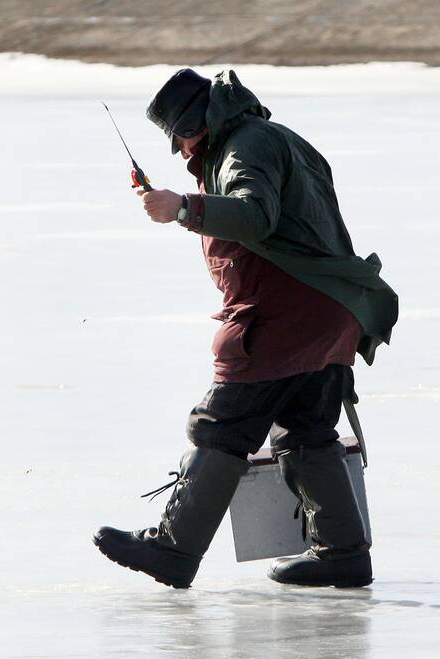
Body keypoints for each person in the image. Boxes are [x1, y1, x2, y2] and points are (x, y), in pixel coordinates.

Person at [93, 68, 398, 589]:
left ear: (199, 122)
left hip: (284, 315)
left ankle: (174, 549)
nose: (184, 150)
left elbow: (255, 215)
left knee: (221, 426)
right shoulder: (274, 137)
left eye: (182, 137)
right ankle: (343, 552)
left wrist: (183, 207)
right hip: (329, 309)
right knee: (306, 429)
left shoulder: (244, 146)